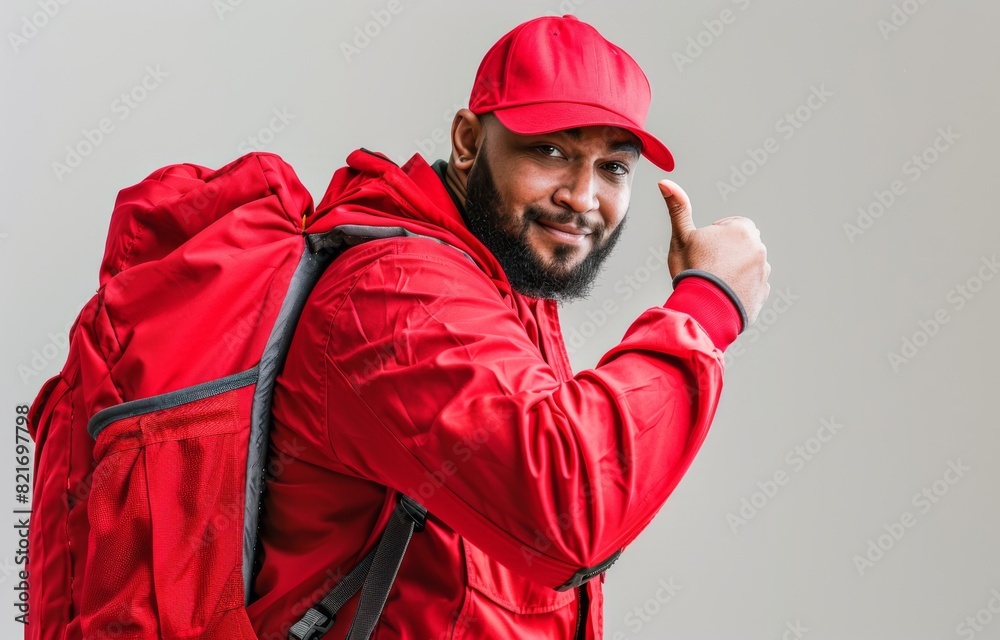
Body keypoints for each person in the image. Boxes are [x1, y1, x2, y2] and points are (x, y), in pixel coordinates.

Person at [248, 14, 770, 640]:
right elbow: (570, 508)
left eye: (613, 168)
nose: (582, 196)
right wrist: (706, 310)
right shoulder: (397, 296)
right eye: (550, 151)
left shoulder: (500, 279)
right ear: (468, 142)